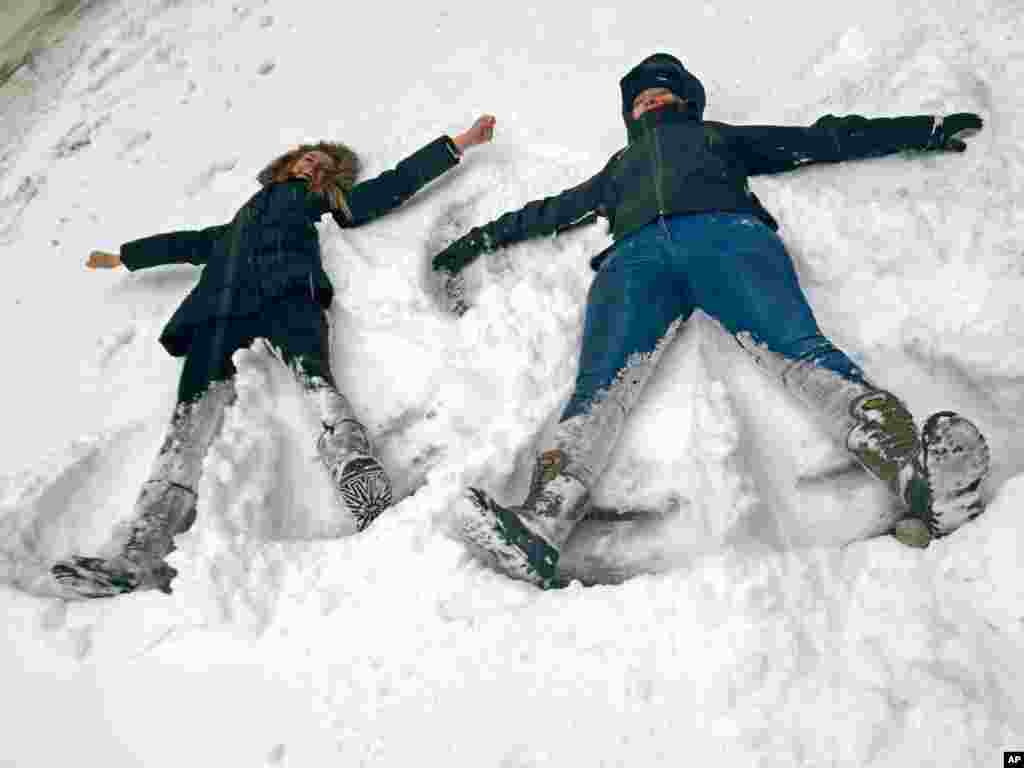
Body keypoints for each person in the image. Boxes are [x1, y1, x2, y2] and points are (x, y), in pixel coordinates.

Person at [432, 53, 990, 588]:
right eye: (640, 95)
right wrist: (480, 239)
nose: (650, 98)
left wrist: (923, 128)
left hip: (728, 239)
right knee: (598, 387)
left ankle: (912, 474)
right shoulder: (618, 168)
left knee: (798, 351)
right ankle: (541, 525)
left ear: (684, 101)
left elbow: (820, 139)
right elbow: (550, 211)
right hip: (635, 261)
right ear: (629, 114)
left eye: (661, 89)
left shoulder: (717, 137)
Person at [53, 115, 497, 598]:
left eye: (324, 163)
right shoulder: (239, 221)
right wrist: (125, 255)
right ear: (288, 163)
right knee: (187, 426)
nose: (313, 163)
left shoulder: (327, 203)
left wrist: (458, 143)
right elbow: (189, 242)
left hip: (289, 293)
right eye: (308, 156)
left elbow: (394, 185)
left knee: (317, 383)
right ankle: (139, 551)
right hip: (218, 310)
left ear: (330, 177)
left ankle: (354, 467)